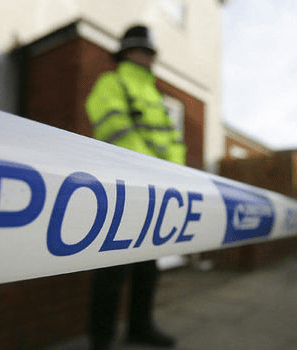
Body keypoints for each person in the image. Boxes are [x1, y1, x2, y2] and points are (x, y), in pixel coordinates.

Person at [85, 24, 185, 350]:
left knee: (147, 266)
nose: (147, 58)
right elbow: (113, 126)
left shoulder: (157, 96)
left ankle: (139, 327)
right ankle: (101, 339)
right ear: (127, 52)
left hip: (155, 189)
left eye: (150, 52)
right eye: (142, 51)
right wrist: (150, 169)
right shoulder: (111, 82)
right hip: (123, 187)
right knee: (111, 270)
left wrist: (172, 175)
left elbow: (173, 140)